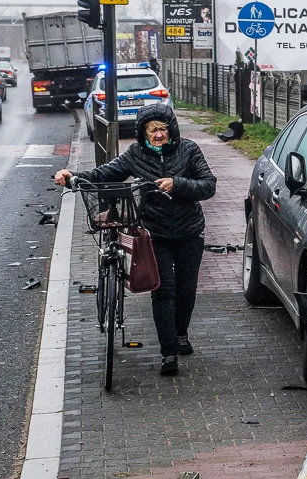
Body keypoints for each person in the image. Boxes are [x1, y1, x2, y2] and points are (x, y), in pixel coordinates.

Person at [54, 104, 216, 376]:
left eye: (163, 129)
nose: (158, 135)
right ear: (143, 133)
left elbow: (208, 185)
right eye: (152, 130)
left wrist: (178, 183)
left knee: (187, 288)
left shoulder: (189, 150)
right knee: (164, 289)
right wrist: (73, 177)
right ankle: (168, 353)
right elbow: (103, 174)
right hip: (155, 232)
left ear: (171, 129)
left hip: (190, 230)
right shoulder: (135, 155)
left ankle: (180, 334)